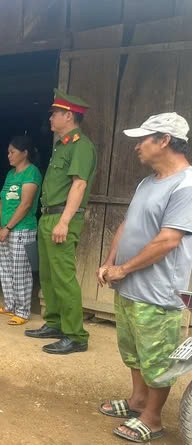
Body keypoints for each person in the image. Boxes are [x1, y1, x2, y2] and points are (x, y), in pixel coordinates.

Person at [96, 113, 192, 443]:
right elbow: (127, 224)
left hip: (159, 290)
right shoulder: (147, 182)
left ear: (164, 140)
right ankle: (138, 401)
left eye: (144, 139)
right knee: (134, 350)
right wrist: (110, 261)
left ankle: (152, 418)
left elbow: (168, 240)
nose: (137, 146)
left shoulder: (186, 185)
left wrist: (124, 268)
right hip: (129, 285)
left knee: (157, 356)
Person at [24, 89, 96, 355]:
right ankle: (54, 323)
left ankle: (76, 335)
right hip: (49, 215)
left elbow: (79, 184)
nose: (51, 119)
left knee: (64, 277)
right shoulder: (62, 145)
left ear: (68, 115)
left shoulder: (81, 146)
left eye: (54, 114)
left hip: (62, 217)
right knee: (48, 274)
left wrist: (64, 221)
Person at [0, 136, 42, 325]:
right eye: (8, 152)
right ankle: (9, 305)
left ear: (25, 153)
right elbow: (2, 201)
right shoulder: (11, 174)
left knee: (21, 271)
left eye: (12, 152)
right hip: (5, 228)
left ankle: (22, 311)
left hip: (22, 229)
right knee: (5, 268)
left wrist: (8, 227)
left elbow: (26, 204)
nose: (9, 155)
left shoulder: (32, 173)